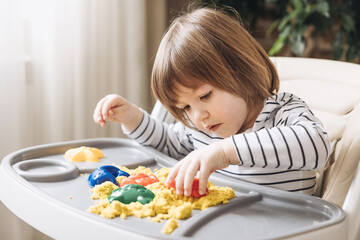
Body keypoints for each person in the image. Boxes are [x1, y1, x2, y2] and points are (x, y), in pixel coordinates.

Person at [93, 7, 330, 197]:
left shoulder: (281, 111)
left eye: (205, 96)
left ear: (242, 71)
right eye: (185, 107)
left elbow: (316, 144)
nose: (197, 117)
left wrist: (226, 151)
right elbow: (168, 142)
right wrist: (132, 118)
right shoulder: (204, 131)